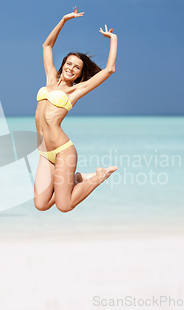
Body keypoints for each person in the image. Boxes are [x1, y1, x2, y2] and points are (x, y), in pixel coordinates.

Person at [34, 7, 118, 213]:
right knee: (41, 204)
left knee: (65, 205)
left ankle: (99, 176)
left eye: (77, 67)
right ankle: (76, 178)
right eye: (69, 63)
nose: (71, 68)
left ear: (80, 74)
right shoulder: (50, 79)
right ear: (63, 65)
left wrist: (113, 39)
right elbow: (47, 45)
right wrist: (63, 20)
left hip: (63, 151)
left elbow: (109, 70)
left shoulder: (75, 91)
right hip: (45, 152)